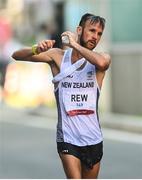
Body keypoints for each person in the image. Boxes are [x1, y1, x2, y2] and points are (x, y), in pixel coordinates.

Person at [12, 13, 111, 179]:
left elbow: (102, 63)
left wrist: (73, 44)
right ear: (79, 30)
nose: (95, 36)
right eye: (91, 30)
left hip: (93, 138)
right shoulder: (58, 57)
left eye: (99, 33)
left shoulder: (101, 59)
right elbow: (16, 55)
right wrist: (37, 48)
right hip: (68, 137)